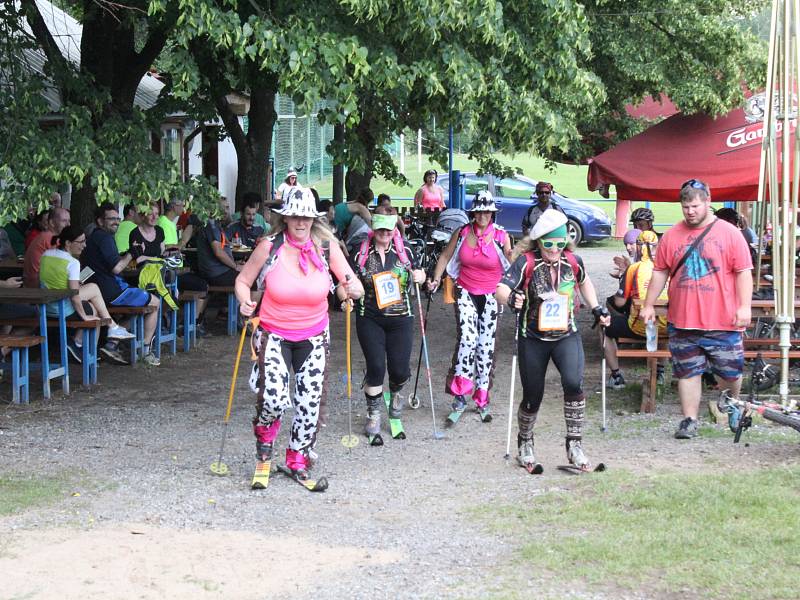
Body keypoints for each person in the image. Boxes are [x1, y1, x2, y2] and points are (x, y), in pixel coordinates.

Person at [235, 187, 363, 479]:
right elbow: (242, 281)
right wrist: (245, 301)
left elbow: (349, 283)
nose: (301, 222)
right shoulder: (270, 246)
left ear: (315, 219)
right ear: (286, 218)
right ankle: (264, 450)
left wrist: (349, 292)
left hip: (314, 335)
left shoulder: (326, 247)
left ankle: (297, 458)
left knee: (309, 405)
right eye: (295, 216)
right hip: (274, 333)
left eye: (306, 217)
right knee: (273, 399)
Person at [497, 209, 610, 470]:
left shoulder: (572, 261)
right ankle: (525, 441)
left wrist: (596, 308)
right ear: (539, 241)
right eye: (549, 244)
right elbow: (501, 289)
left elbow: (585, 282)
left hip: (565, 335)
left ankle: (575, 445)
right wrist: (512, 299)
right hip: (533, 338)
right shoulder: (526, 262)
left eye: (560, 244)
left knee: (573, 383)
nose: (554, 249)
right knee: (533, 396)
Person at [640, 180, 752, 439]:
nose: (689, 211)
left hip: (722, 320)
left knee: (730, 371)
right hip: (683, 319)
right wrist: (648, 304)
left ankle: (732, 405)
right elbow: (660, 272)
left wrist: (744, 306)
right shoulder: (671, 235)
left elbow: (743, 273)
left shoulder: (729, 233)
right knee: (687, 371)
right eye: (685, 206)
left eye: (694, 206)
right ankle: (689, 420)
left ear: (707, 202)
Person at [427, 191, 512, 421]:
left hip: (492, 295)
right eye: (479, 211)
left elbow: (511, 265)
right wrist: (435, 279)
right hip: (465, 290)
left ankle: (482, 394)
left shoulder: (501, 236)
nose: (483, 215)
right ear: (473, 212)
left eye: (487, 211)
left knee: (486, 346)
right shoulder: (463, 232)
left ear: (492, 213)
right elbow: (445, 256)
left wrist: (515, 289)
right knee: (467, 338)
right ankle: (460, 394)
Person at [351, 205, 425, 437]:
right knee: (376, 367)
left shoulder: (406, 251)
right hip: (370, 317)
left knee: (400, 369)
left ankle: (395, 399)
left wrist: (421, 277)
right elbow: (348, 280)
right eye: (381, 227)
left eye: (389, 228)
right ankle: (373, 415)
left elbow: (421, 273)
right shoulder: (360, 253)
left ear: (395, 228)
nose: (385, 233)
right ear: (374, 227)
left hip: (401, 318)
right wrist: (348, 294)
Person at [81, 202, 162, 366]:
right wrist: (132, 253)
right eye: (111, 219)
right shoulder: (105, 239)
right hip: (112, 292)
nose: (116, 222)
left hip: (96, 291)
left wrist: (126, 256)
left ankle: (113, 343)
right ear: (100, 221)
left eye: (117, 218)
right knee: (155, 302)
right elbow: (117, 268)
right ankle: (145, 350)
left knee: (137, 310)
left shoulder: (91, 238)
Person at [40, 225, 134, 363]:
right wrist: (84, 316)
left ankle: (82, 345)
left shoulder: (46, 254)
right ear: (68, 243)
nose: (84, 245)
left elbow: (54, 281)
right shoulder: (72, 263)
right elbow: (74, 294)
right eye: (80, 242)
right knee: (94, 296)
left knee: (94, 306)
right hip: (62, 308)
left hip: (46, 306)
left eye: (85, 241)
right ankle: (100, 341)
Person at [131, 204, 210, 333]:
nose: (154, 217)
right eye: (151, 214)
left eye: (157, 214)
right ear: (144, 215)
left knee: (175, 284)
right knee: (171, 286)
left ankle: (167, 321)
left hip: (163, 271)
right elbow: (137, 257)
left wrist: (173, 254)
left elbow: (163, 252)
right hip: (145, 274)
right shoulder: (135, 233)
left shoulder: (160, 231)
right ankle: (164, 321)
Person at [604, 230, 668, 388]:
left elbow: (619, 303)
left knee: (604, 326)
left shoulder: (634, 269)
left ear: (639, 248)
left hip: (639, 327)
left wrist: (624, 277)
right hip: (668, 328)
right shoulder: (669, 266)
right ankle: (660, 372)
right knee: (663, 320)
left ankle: (616, 375)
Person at [23, 207, 70, 288]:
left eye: (69, 221)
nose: (68, 224)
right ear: (52, 223)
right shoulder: (51, 239)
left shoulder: (44, 236)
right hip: (40, 288)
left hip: (33, 284)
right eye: (64, 221)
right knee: (92, 288)